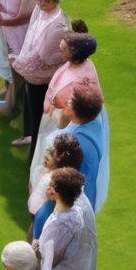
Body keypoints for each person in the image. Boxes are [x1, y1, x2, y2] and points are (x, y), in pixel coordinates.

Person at [9, 0, 71, 160]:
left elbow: (46, 56)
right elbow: (31, 38)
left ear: (55, 0)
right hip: (32, 76)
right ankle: (29, 138)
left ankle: (34, 161)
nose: (41, 3)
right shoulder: (40, 11)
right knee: (29, 110)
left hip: (43, 80)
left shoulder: (58, 24)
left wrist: (18, 62)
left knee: (39, 121)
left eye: (45, 1)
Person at [29, 28, 100, 180]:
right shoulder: (86, 63)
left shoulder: (74, 83)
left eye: (64, 48)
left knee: (49, 159)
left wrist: (49, 108)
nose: (61, 49)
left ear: (74, 52)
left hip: (59, 124)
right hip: (60, 114)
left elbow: (62, 122)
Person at [60, 84, 109, 211]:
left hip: (76, 201)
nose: (65, 102)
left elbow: (65, 177)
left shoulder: (76, 142)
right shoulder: (92, 123)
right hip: (86, 194)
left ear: (77, 111)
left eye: (70, 103)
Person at [28, 133, 84, 233]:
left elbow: (33, 206)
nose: (47, 153)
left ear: (60, 159)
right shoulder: (75, 180)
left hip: (44, 225)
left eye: (51, 153)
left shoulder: (48, 180)